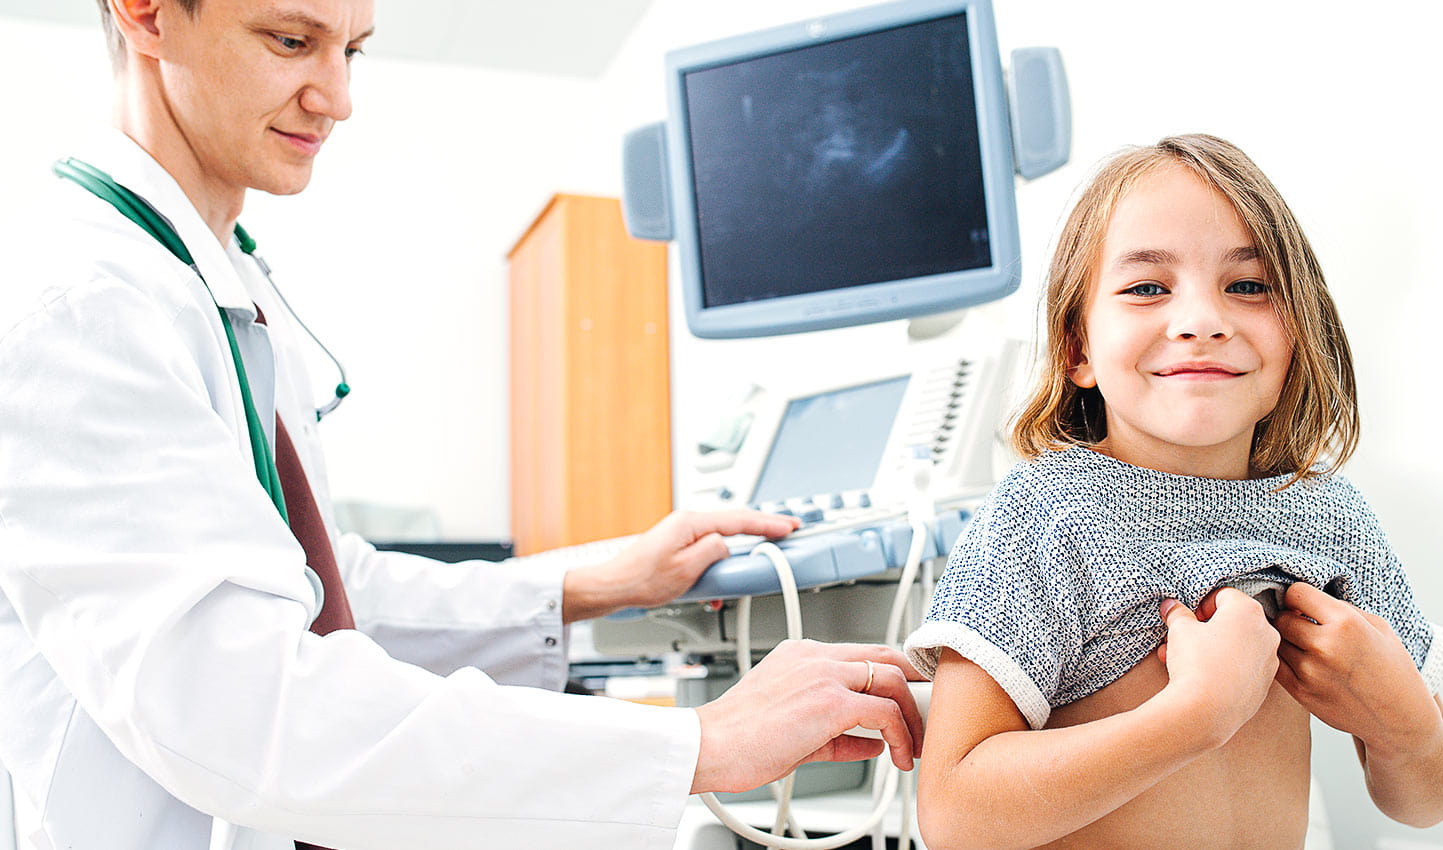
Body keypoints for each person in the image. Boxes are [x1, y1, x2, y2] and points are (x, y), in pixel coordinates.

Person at [0, 1, 924, 848]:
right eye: (292, 41)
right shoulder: (81, 308)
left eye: (352, 50)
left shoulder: (209, 281)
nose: (340, 97)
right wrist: (699, 741)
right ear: (147, 13)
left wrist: (600, 581)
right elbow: (247, 709)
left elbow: (323, 596)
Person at [904, 134, 1443, 848]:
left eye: (1249, 286)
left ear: (1298, 330)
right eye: (1147, 288)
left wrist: (1409, 728)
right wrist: (1195, 717)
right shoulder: (1044, 517)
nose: (1202, 319)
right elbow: (956, 816)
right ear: (1077, 347)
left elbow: (1428, 801)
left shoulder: (1332, 521)